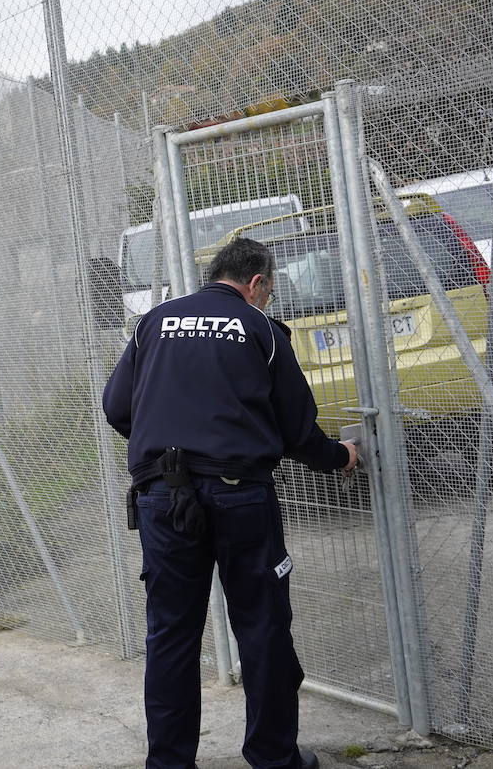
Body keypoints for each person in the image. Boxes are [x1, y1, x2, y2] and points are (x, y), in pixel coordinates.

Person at [102, 237, 357, 769]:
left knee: (171, 634)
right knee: (261, 627)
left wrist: (165, 439)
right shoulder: (260, 329)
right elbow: (297, 429)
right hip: (240, 495)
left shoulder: (155, 322)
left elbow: (117, 406)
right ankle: (272, 757)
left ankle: (169, 763)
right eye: (268, 289)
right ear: (257, 283)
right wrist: (340, 457)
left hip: (162, 497)